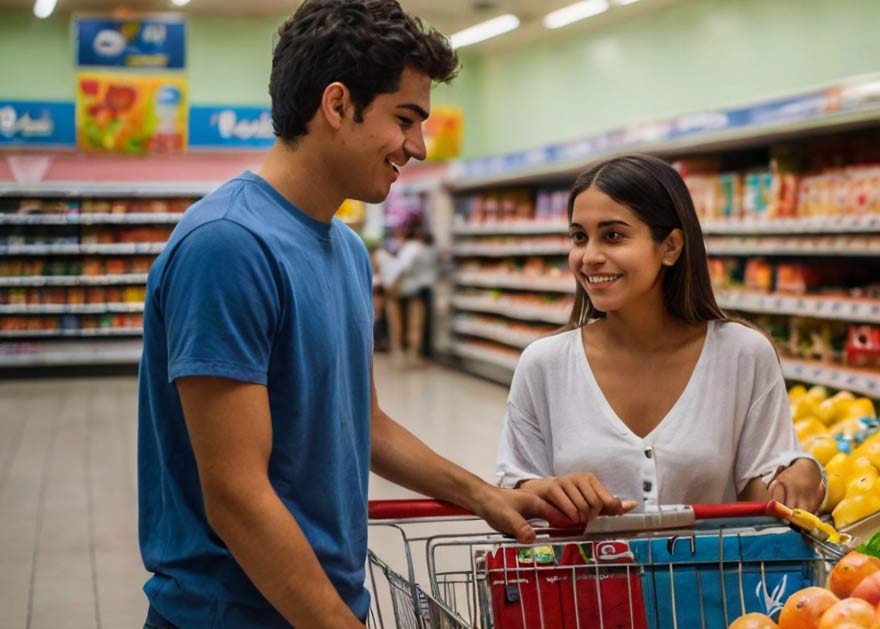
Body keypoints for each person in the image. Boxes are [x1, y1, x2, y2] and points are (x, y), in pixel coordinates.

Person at [137, 2, 598, 627]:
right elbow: (236, 496)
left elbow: (366, 423)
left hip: (320, 605)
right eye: (404, 119)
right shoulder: (228, 245)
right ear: (337, 105)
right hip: (232, 615)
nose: (419, 147)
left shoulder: (348, 252)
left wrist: (486, 496)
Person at [495, 154, 825, 523]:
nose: (589, 257)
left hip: (711, 564)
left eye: (613, 236)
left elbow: (763, 502)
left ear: (670, 247)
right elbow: (515, 492)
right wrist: (542, 490)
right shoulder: (545, 364)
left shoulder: (743, 354)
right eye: (579, 237)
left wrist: (802, 473)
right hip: (583, 564)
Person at [376, 219, 437, 367]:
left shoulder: (392, 247)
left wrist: (389, 282)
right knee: (415, 324)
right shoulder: (418, 247)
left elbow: (391, 266)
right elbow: (405, 266)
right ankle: (411, 355)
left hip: (397, 288)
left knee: (398, 323)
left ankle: (400, 354)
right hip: (414, 289)